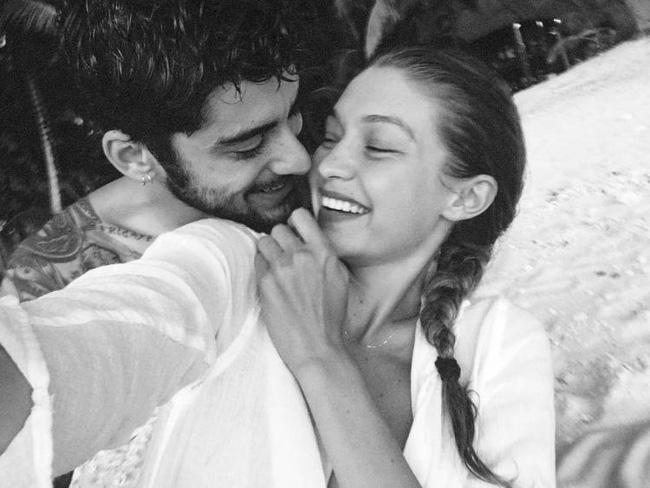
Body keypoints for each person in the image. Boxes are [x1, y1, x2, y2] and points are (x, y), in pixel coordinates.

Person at [0, 47, 555, 487]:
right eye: (332, 136)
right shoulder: (235, 261)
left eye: (379, 146)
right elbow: (99, 344)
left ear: (465, 197)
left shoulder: (500, 342)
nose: (325, 163)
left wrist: (321, 360)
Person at [1, 0, 316, 301]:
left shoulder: (328, 170)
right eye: (248, 145)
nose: (300, 160)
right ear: (133, 158)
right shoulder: (50, 289)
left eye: (293, 114)